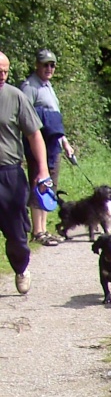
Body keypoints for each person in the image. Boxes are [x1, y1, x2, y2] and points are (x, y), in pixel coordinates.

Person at [0, 51, 48, 294]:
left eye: (5, 71)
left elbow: (33, 134)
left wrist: (42, 169)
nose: (2, 75)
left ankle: (21, 268)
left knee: (17, 235)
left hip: (9, 174)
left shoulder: (15, 96)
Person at [21, 49, 74, 246]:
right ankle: (37, 231)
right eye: (45, 64)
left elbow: (55, 120)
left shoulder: (48, 86)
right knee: (39, 184)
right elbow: (26, 119)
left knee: (49, 186)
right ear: (37, 65)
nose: (49, 68)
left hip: (53, 145)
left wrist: (65, 143)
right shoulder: (30, 87)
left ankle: (44, 229)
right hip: (38, 145)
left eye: (52, 65)